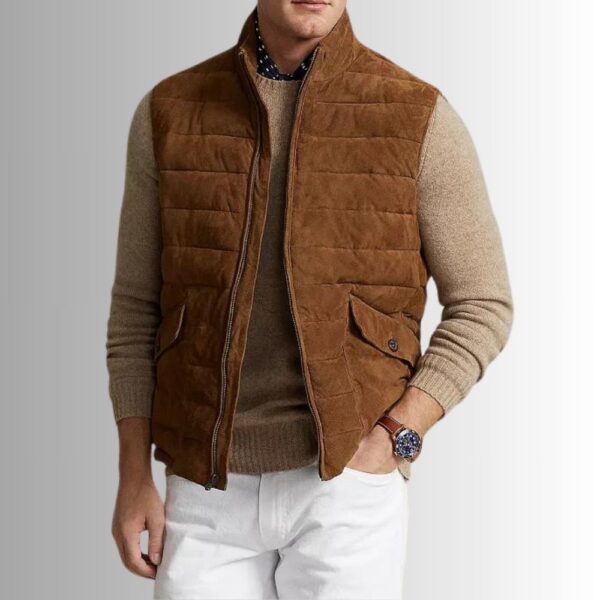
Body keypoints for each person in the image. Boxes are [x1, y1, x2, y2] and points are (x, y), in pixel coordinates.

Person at [105, 1, 514, 598]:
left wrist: (398, 434)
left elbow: (483, 303)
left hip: (347, 487)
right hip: (202, 488)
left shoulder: (416, 113)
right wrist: (133, 474)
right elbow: (135, 311)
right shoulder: (170, 111)